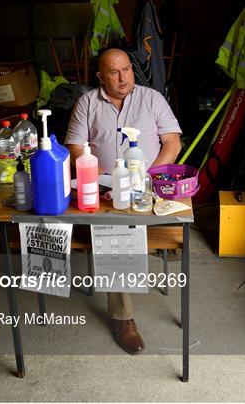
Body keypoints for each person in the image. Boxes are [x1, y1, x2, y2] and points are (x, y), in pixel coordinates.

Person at [65, 47, 182, 354]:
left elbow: (172, 142)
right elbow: (76, 148)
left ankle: (122, 302)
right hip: (102, 189)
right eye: (113, 72)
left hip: (147, 187)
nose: (122, 78)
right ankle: (123, 317)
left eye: (126, 70)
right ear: (100, 76)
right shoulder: (87, 103)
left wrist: (147, 178)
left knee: (124, 223)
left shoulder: (152, 99)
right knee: (114, 227)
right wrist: (96, 170)